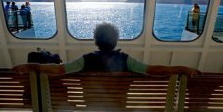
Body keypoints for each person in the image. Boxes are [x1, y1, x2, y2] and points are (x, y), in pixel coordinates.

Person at [13, 23, 200, 77]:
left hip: (89, 102)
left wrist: (30, 66)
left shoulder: (84, 60)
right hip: (120, 103)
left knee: (51, 59)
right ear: (115, 41)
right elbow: (156, 70)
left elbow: (59, 70)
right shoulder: (127, 60)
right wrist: (181, 68)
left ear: (95, 41)